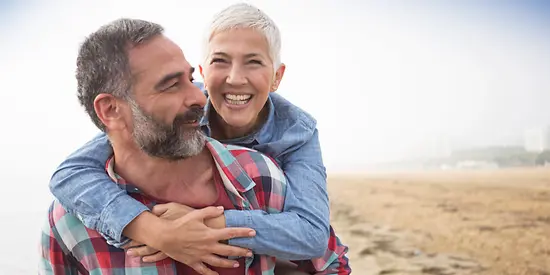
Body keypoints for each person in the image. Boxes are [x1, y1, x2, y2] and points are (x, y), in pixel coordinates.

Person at [48, 3, 351, 274]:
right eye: (221, 61)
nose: (235, 78)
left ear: (277, 77)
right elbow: (71, 172)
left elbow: (313, 236)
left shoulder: (294, 136)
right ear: (203, 74)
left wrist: (209, 226)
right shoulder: (184, 112)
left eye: (254, 62)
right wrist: (153, 229)